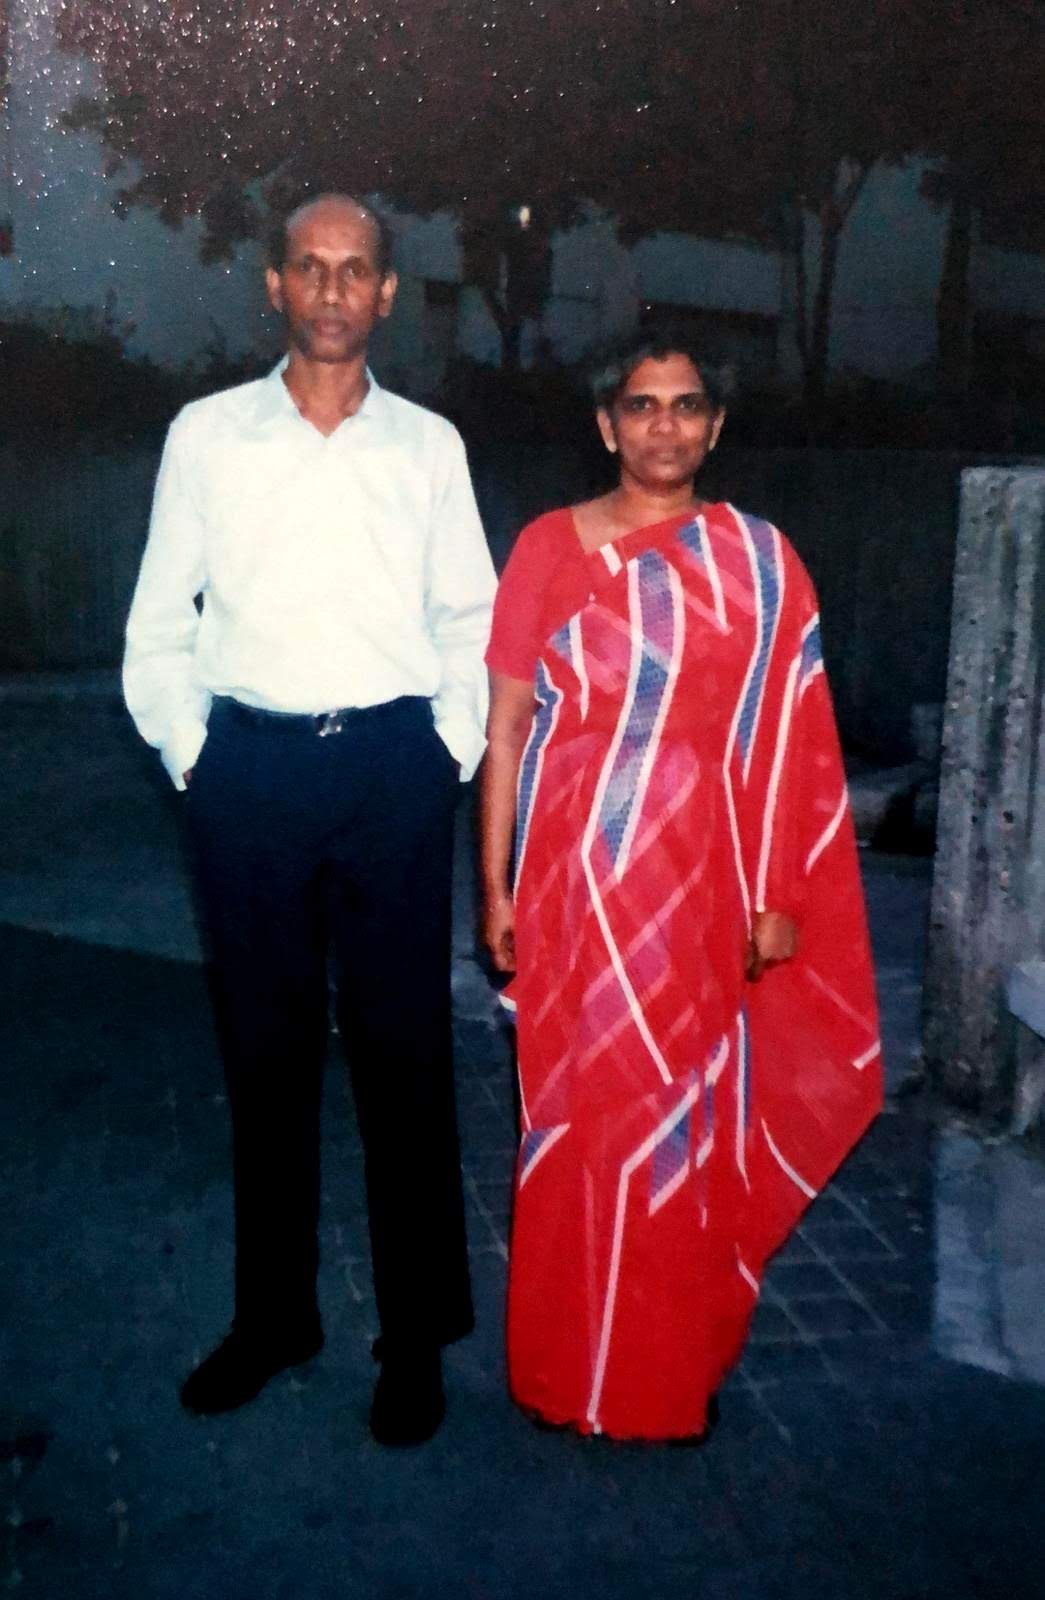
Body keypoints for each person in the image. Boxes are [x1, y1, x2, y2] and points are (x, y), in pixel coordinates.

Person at [124, 194, 496, 1446]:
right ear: (274, 285)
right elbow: (157, 626)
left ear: (386, 292)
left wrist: (442, 755)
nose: (332, 289)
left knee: (406, 1061)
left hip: (392, 775)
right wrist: (200, 760)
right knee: (264, 1058)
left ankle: (415, 1338)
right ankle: (274, 1317)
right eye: (309, 267)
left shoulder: (428, 448)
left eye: (356, 270)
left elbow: (471, 621)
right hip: (252, 778)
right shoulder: (207, 436)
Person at [480, 330, 882, 1441]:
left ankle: (656, 1380)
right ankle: (560, 1372)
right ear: (605, 425)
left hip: (697, 889)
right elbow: (505, 729)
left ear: (715, 426)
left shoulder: (761, 562)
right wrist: (495, 888)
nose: (664, 425)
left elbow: (790, 742)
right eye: (641, 404)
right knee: (568, 1117)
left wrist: (777, 896)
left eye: (686, 405)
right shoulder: (545, 548)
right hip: (569, 884)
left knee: (674, 1121)